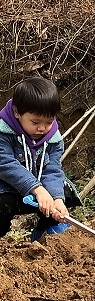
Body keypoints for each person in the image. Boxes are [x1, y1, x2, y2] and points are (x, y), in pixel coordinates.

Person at [0, 77, 81, 240]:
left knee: (63, 191)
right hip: (7, 187)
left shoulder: (53, 139)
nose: (42, 128)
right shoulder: (3, 131)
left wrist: (57, 199)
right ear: (17, 112)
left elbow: (52, 169)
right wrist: (37, 188)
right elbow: (5, 163)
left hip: (37, 188)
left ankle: (46, 230)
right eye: (35, 122)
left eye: (49, 122)